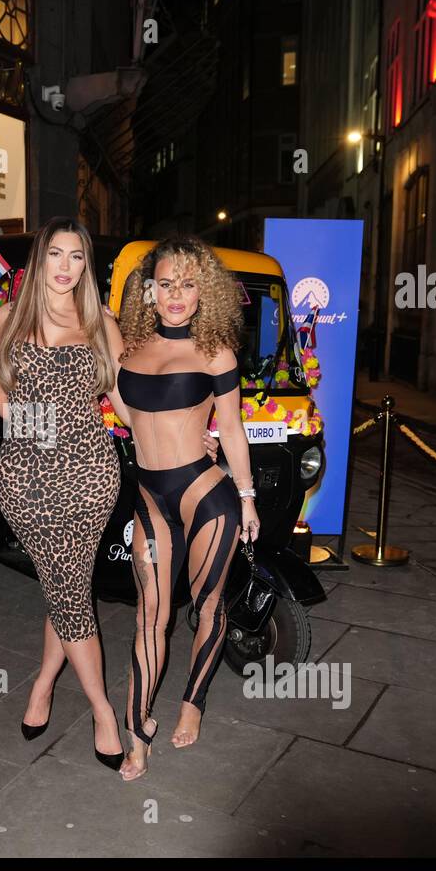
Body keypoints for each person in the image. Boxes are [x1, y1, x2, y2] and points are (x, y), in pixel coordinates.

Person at [0, 216, 129, 772]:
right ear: (38, 260)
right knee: (70, 590)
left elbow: (123, 403)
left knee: (64, 585)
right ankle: (103, 711)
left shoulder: (102, 325)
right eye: (56, 255)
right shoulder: (6, 320)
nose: (66, 267)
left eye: (77, 257)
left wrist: (189, 440)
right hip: (27, 479)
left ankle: (44, 684)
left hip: (92, 476)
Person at [113, 236, 259, 780]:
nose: (177, 294)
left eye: (189, 283)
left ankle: (193, 700)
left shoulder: (215, 350)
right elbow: (132, 418)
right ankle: (138, 729)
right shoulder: (127, 344)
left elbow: (234, 428)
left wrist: (245, 497)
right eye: (166, 282)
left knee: (208, 603)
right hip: (149, 491)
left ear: (206, 291)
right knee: (151, 612)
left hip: (207, 495)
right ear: (149, 289)